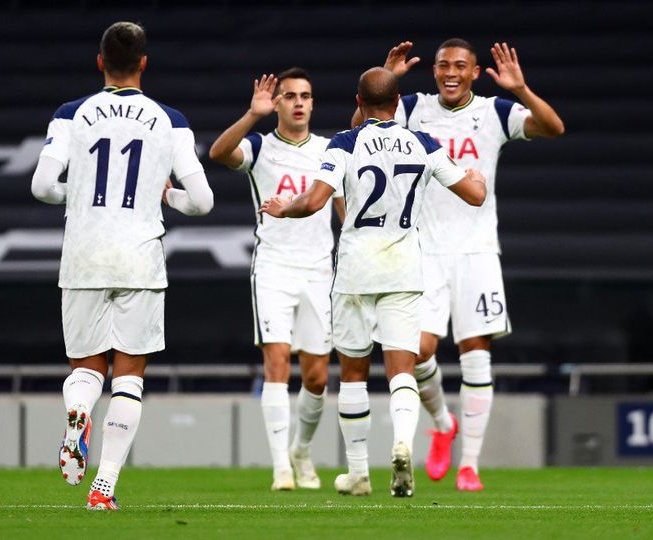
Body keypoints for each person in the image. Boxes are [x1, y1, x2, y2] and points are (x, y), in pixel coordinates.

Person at [260, 67, 486, 497]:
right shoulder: (423, 143)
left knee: (354, 373)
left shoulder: (345, 143)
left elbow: (313, 202)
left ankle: (359, 472)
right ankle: (402, 442)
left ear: (358, 102)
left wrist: (281, 207)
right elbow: (473, 196)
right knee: (402, 368)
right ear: (399, 101)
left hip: (355, 270)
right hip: (403, 268)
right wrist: (478, 181)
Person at [354, 39, 564, 491]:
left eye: (460, 66)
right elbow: (360, 132)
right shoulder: (412, 107)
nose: (451, 72)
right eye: (444, 65)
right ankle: (442, 422)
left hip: (477, 252)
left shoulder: (494, 112)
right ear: (433, 71)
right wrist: (384, 79)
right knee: (419, 351)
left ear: (474, 72)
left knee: (476, 357)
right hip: (423, 252)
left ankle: (469, 465)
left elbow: (553, 127)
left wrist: (522, 89)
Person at [31, 21, 213, 510]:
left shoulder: (72, 114)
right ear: (144, 64)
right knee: (129, 377)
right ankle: (103, 487)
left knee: (86, 369)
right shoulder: (169, 119)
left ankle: (77, 413)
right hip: (139, 256)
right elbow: (203, 200)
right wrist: (166, 195)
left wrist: (86, 193)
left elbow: (42, 186)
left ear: (99, 63)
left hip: (85, 254)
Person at [209, 68, 345, 491]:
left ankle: (300, 450)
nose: (299, 102)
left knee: (318, 377)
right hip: (273, 267)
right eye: (290, 96)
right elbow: (218, 152)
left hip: (320, 270)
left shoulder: (329, 150)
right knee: (277, 364)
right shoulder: (260, 147)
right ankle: (280, 469)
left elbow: (344, 209)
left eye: (305, 95)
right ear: (278, 103)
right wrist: (252, 115)